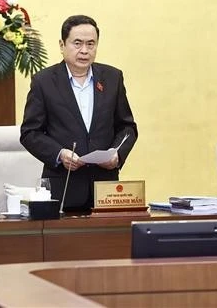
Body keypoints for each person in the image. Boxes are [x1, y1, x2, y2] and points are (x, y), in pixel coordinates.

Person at [20, 15, 138, 211]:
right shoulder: (44, 81)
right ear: (62, 45)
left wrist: (117, 154)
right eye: (77, 43)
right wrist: (60, 154)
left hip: (106, 192)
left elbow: (127, 127)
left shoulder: (112, 78)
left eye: (91, 44)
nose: (84, 50)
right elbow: (30, 133)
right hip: (62, 190)